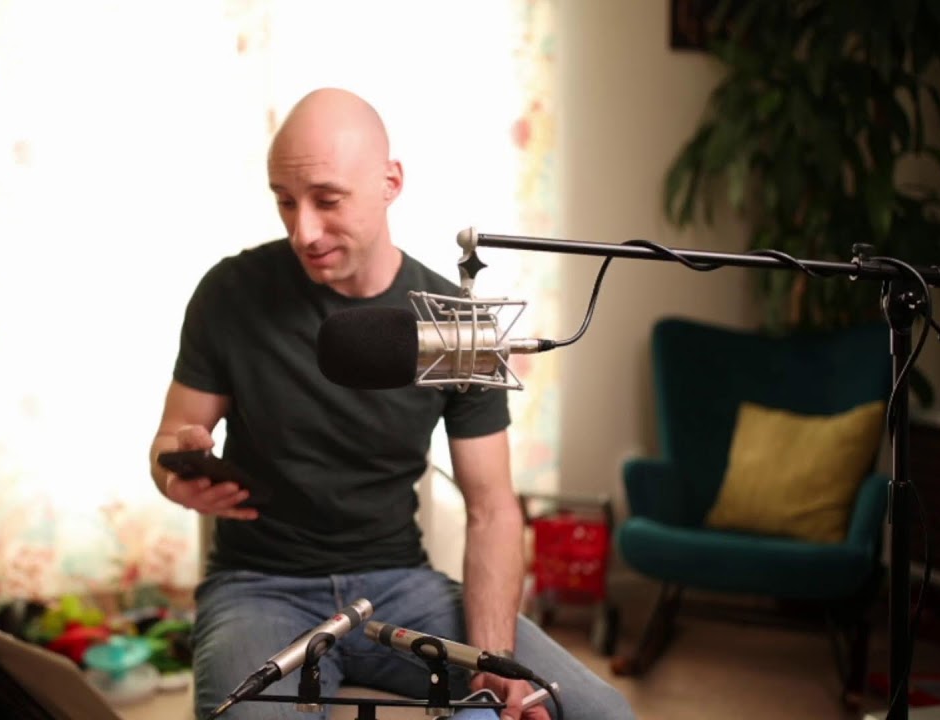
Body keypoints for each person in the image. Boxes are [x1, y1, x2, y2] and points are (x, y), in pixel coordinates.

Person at [149, 87, 634, 720]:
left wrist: (492, 663)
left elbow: (492, 509)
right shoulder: (230, 294)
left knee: (601, 713)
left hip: (400, 584)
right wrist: (174, 471)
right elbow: (171, 440)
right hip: (260, 586)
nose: (303, 231)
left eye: (327, 200)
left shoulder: (457, 326)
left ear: (390, 183)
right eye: (285, 201)